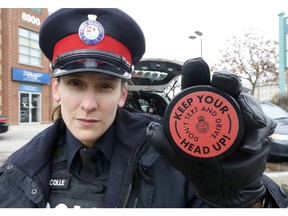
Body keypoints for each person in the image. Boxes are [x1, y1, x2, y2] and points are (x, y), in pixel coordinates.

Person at [0, 8, 287, 208]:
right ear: (56, 90)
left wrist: (247, 200)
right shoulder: (17, 169)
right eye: (75, 83)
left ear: (123, 94)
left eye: (105, 86)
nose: (88, 105)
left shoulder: (174, 160)